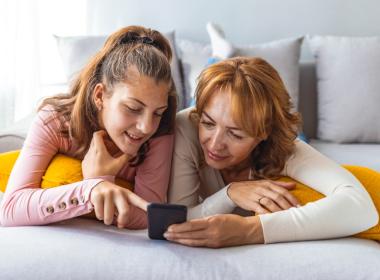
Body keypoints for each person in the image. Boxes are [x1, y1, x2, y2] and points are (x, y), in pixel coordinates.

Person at [166, 56, 378, 248]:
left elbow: (361, 208)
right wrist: (229, 194)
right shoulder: (186, 127)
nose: (214, 144)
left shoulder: (285, 147)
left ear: (263, 132)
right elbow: (177, 219)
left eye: (235, 134)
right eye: (208, 123)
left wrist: (249, 230)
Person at [0, 25, 177, 229]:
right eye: (133, 108)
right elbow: (11, 209)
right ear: (100, 95)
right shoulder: (55, 121)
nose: (146, 127)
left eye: (157, 112)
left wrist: (102, 179)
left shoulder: (160, 131)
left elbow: (148, 214)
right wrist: (91, 189)